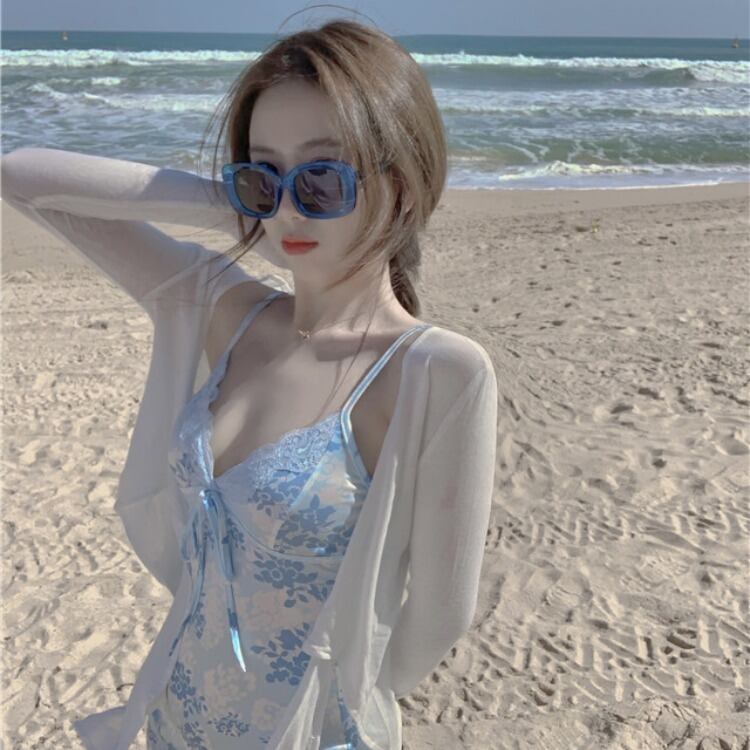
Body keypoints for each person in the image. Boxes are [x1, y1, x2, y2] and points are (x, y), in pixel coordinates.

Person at [1, 17, 498, 750]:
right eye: (263, 175)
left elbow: (440, 613)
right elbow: (22, 175)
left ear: (400, 182)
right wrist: (240, 209)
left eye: (322, 178)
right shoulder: (220, 308)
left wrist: (333, 710)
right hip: (176, 718)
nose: (290, 206)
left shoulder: (434, 370)